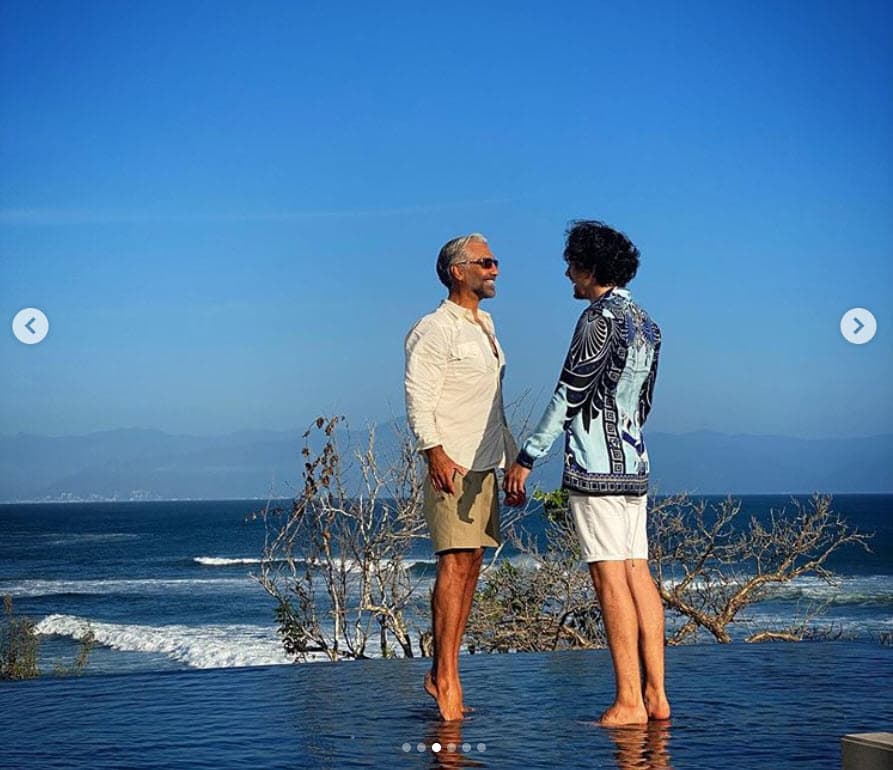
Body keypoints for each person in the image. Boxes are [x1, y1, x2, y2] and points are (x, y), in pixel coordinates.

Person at [504, 220, 670, 726]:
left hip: (596, 467)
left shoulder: (598, 321)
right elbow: (644, 403)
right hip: (634, 463)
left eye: (572, 264)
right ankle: (656, 697)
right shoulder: (647, 323)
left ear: (592, 267)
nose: (567, 273)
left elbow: (568, 393)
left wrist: (529, 455)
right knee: (638, 572)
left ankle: (627, 701)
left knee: (607, 574)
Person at [404, 233, 519, 722]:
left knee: (471, 563)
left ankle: (443, 671)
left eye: (495, 262)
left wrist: (515, 460)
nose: (495, 269)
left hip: (485, 461)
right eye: (486, 262)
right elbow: (418, 395)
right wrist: (434, 453)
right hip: (451, 461)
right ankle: (445, 676)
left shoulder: (485, 325)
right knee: (454, 563)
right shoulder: (434, 329)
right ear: (458, 270)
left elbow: (492, 408)